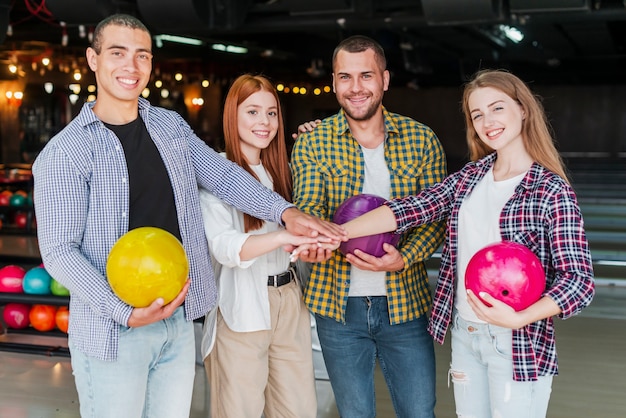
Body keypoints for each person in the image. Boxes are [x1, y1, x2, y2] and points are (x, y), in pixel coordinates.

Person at [31, 14, 342, 418]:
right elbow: (59, 252)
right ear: (93, 59)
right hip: (112, 330)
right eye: (118, 53)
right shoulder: (65, 152)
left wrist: (284, 212)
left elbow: (224, 176)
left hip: (177, 321)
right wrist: (125, 311)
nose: (131, 66)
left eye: (142, 55)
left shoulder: (169, 126)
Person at [307, 69, 596, 417]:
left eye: (497, 108)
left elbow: (579, 282)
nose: (487, 121)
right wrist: (338, 234)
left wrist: (521, 318)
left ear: (522, 109)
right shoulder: (470, 178)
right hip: (465, 333)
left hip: (516, 343)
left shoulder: (551, 190)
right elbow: (409, 210)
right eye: (477, 115)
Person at [290, 35, 447, 417]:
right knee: (355, 413)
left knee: (419, 412)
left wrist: (404, 258)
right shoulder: (312, 143)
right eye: (345, 77)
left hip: (405, 304)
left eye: (366, 76)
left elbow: (434, 218)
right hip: (337, 308)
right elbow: (309, 209)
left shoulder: (421, 139)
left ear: (385, 79)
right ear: (333, 82)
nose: (356, 88)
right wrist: (315, 239)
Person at [198, 74, 317, 418]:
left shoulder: (286, 172)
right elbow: (225, 247)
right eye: (252, 112)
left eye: (271, 113)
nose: (263, 122)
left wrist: (315, 142)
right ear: (232, 115)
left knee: (299, 410)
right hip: (241, 303)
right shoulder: (216, 172)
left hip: (289, 299)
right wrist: (282, 235)